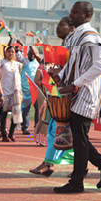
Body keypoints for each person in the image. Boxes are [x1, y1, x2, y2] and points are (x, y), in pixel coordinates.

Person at [51, 2, 101, 193]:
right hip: (78, 91)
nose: (71, 15)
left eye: (75, 12)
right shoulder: (76, 36)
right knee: (79, 137)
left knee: (79, 137)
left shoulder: (91, 37)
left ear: (87, 15)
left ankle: (78, 181)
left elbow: (100, 66)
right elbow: (72, 64)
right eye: (72, 11)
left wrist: (74, 84)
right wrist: (59, 76)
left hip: (87, 92)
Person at [30, 17, 75, 177]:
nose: (57, 29)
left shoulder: (74, 46)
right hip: (58, 94)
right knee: (55, 130)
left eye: (61, 25)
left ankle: (50, 163)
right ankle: (54, 164)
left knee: (61, 130)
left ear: (71, 28)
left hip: (69, 94)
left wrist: (59, 75)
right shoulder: (64, 46)